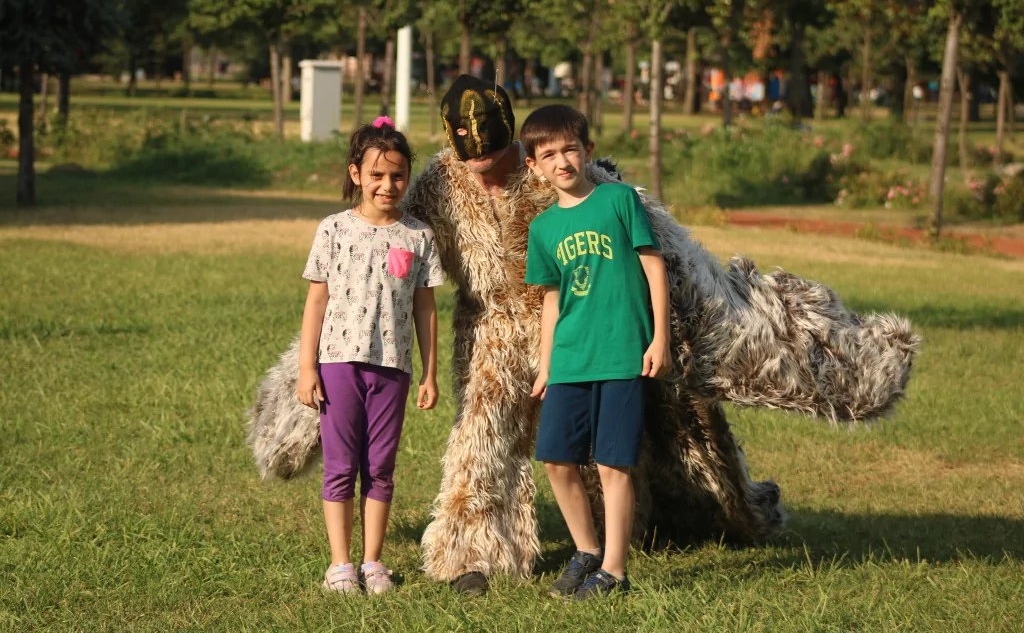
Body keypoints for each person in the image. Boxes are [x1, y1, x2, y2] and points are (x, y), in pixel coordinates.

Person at [250, 74, 917, 599]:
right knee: (481, 442)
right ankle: (472, 558)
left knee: (604, 451)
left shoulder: (564, 174)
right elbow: (364, 273)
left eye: (499, 155)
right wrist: (304, 389)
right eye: (471, 157)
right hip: (487, 332)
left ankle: (608, 545)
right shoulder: (434, 187)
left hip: (575, 328)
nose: (485, 167)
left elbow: (675, 261)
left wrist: (781, 347)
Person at [523, 105, 671, 598]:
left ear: (587, 151)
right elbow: (550, 299)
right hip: (569, 358)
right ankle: (586, 550)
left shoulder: (618, 200)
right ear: (534, 166)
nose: (561, 161)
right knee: (557, 460)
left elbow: (653, 267)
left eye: (569, 149)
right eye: (549, 155)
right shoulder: (543, 229)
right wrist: (546, 365)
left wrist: (660, 337)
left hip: (623, 353)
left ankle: (615, 570)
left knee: (613, 464)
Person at [294, 116, 445, 595]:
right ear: (356, 173)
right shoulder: (333, 230)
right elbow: (316, 300)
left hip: (393, 369)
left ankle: (372, 562)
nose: (388, 185)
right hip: (338, 364)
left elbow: (425, 306)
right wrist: (306, 368)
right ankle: (340, 564)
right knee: (341, 465)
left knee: (380, 467)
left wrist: (429, 373)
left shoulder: (417, 235)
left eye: (397, 175)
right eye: (377, 175)